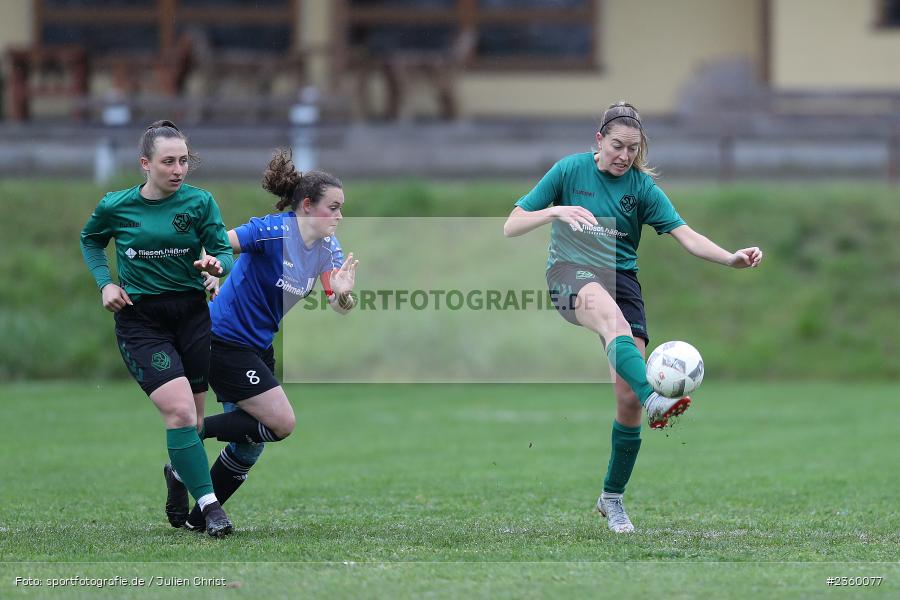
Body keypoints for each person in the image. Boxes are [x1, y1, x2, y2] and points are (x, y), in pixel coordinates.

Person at [503, 101, 763, 533]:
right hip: (571, 272)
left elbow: (687, 236)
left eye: (633, 149)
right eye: (617, 146)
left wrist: (730, 258)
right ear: (599, 140)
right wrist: (555, 211)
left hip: (622, 280)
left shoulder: (641, 189)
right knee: (614, 325)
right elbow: (511, 224)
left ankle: (612, 498)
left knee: (626, 400)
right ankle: (654, 398)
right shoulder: (568, 171)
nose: (624, 156)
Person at [164, 149, 358, 532]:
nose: (339, 216)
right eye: (333, 208)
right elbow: (216, 245)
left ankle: (196, 515)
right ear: (307, 206)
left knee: (250, 444)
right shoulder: (272, 231)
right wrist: (212, 269)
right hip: (222, 340)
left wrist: (344, 295)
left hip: (257, 347)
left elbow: (339, 304)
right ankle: (189, 438)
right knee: (281, 422)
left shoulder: (327, 249)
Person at [80, 120, 236, 537]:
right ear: (145, 164)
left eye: (183, 161)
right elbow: (91, 240)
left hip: (191, 315)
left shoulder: (200, 202)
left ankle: (178, 474)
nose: (178, 169)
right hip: (141, 321)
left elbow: (222, 250)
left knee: (195, 424)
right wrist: (106, 283)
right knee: (180, 412)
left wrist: (216, 266)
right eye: (168, 161)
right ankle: (212, 508)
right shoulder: (116, 205)